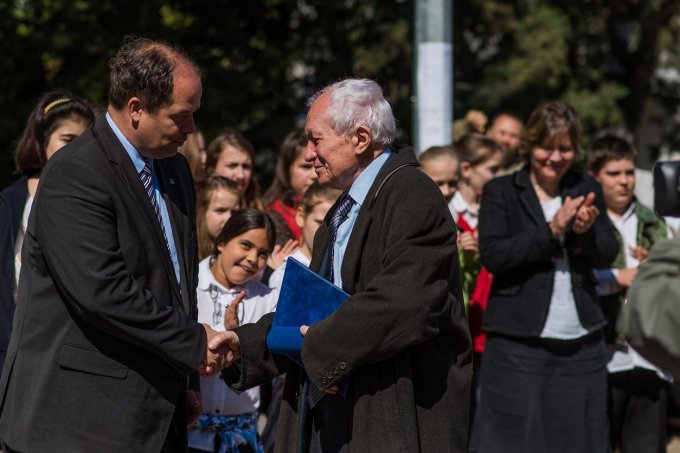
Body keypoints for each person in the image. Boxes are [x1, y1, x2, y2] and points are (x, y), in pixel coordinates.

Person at [212, 78, 472, 452]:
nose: (307, 154)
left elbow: (404, 302)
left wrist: (319, 350)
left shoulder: (412, 193)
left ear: (361, 139)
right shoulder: (343, 208)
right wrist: (242, 345)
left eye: (315, 139)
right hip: (340, 416)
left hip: (391, 418)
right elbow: (312, 308)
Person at [0, 37, 232, 452]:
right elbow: (102, 291)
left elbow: (178, 285)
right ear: (137, 109)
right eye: (182, 116)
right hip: (78, 422)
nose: (192, 129)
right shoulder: (76, 173)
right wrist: (196, 343)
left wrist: (186, 380)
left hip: (151, 415)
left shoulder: (175, 169)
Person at [470, 100, 618, 453]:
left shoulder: (585, 185)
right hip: (519, 341)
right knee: (514, 439)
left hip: (581, 340)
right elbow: (494, 255)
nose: (555, 157)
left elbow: (608, 250)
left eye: (564, 148)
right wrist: (551, 231)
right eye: (545, 148)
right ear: (528, 145)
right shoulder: (501, 191)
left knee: (580, 437)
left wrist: (585, 230)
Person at [0, 89, 95, 374]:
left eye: (85, 142)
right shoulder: (7, 206)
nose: (77, 151)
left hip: (64, 355)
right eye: (67, 140)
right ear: (42, 142)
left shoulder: (94, 204)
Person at [587, 134, 671, 453]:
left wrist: (656, 266)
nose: (624, 181)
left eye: (629, 172)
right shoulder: (587, 222)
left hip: (649, 356)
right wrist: (618, 278)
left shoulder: (655, 223)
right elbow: (574, 279)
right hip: (604, 354)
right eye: (614, 173)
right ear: (594, 176)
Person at [189, 208, 278, 453]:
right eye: (245, 245)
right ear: (221, 243)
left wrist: (240, 335)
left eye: (262, 253)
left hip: (241, 441)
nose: (252, 259)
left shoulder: (268, 299)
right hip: (190, 437)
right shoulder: (189, 285)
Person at [262, 128, 318, 244]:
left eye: (319, 166)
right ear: (287, 169)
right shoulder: (273, 216)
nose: (314, 174)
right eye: (305, 167)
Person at [205, 129, 263, 210]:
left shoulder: (262, 211)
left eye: (246, 167)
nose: (241, 175)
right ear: (212, 169)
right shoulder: (192, 211)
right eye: (232, 166)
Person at [196, 175, 243, 260]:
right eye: (220, 210)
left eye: (234, 212)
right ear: (201, 211)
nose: (229, 218)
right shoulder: (187, 252)